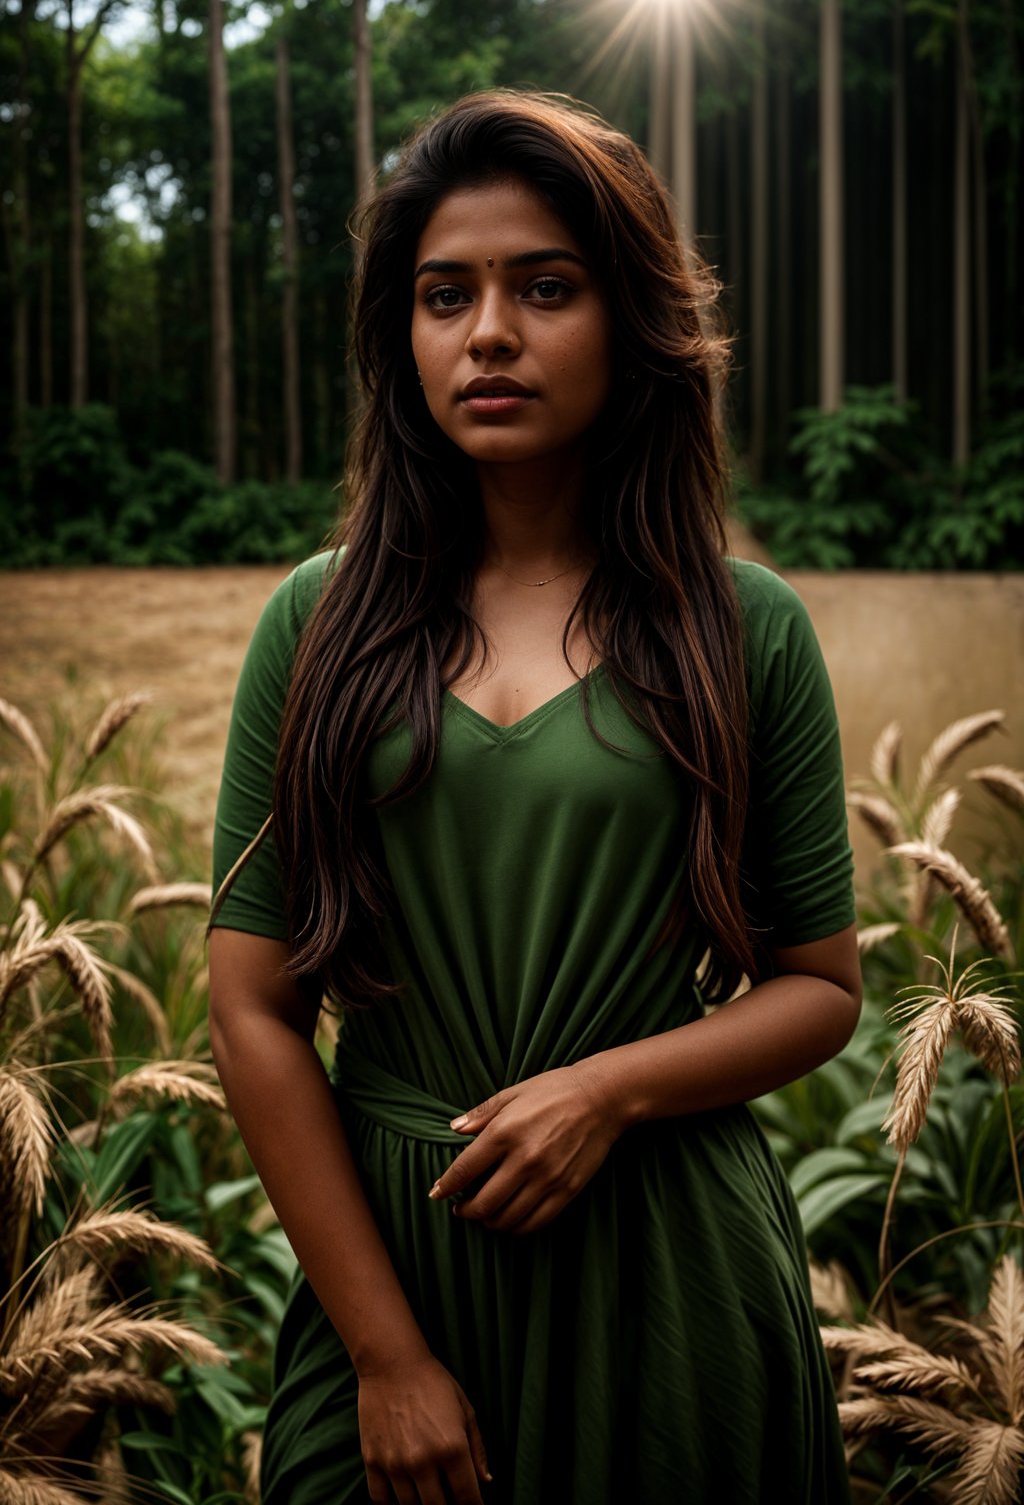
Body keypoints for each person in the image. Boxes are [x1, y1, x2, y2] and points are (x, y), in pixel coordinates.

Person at [207, 89, 862, 1505]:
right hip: (395, 1263)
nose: (488, 333)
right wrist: (385, 1357)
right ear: (406, 337)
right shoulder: (315, 627)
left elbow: (819, 983)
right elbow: (254, 1008)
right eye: (447, 296)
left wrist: (610, 1091)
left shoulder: (741, 629)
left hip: (669, 1273)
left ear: (632, 324)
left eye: (544, 289)